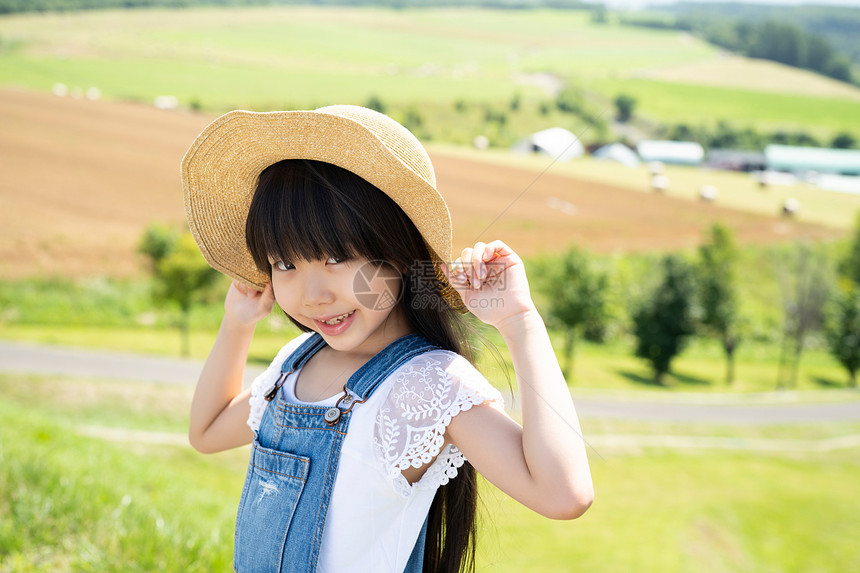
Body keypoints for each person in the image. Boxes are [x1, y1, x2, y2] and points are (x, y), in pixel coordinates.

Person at [182, 105, 593, 573]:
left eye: (336, 256)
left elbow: (565, 495)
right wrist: (237, 323)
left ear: (397, 251)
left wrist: (519, 323)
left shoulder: (427, 384)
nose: (313, 295)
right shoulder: (297, 362)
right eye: (285, 264)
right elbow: (207, 431)